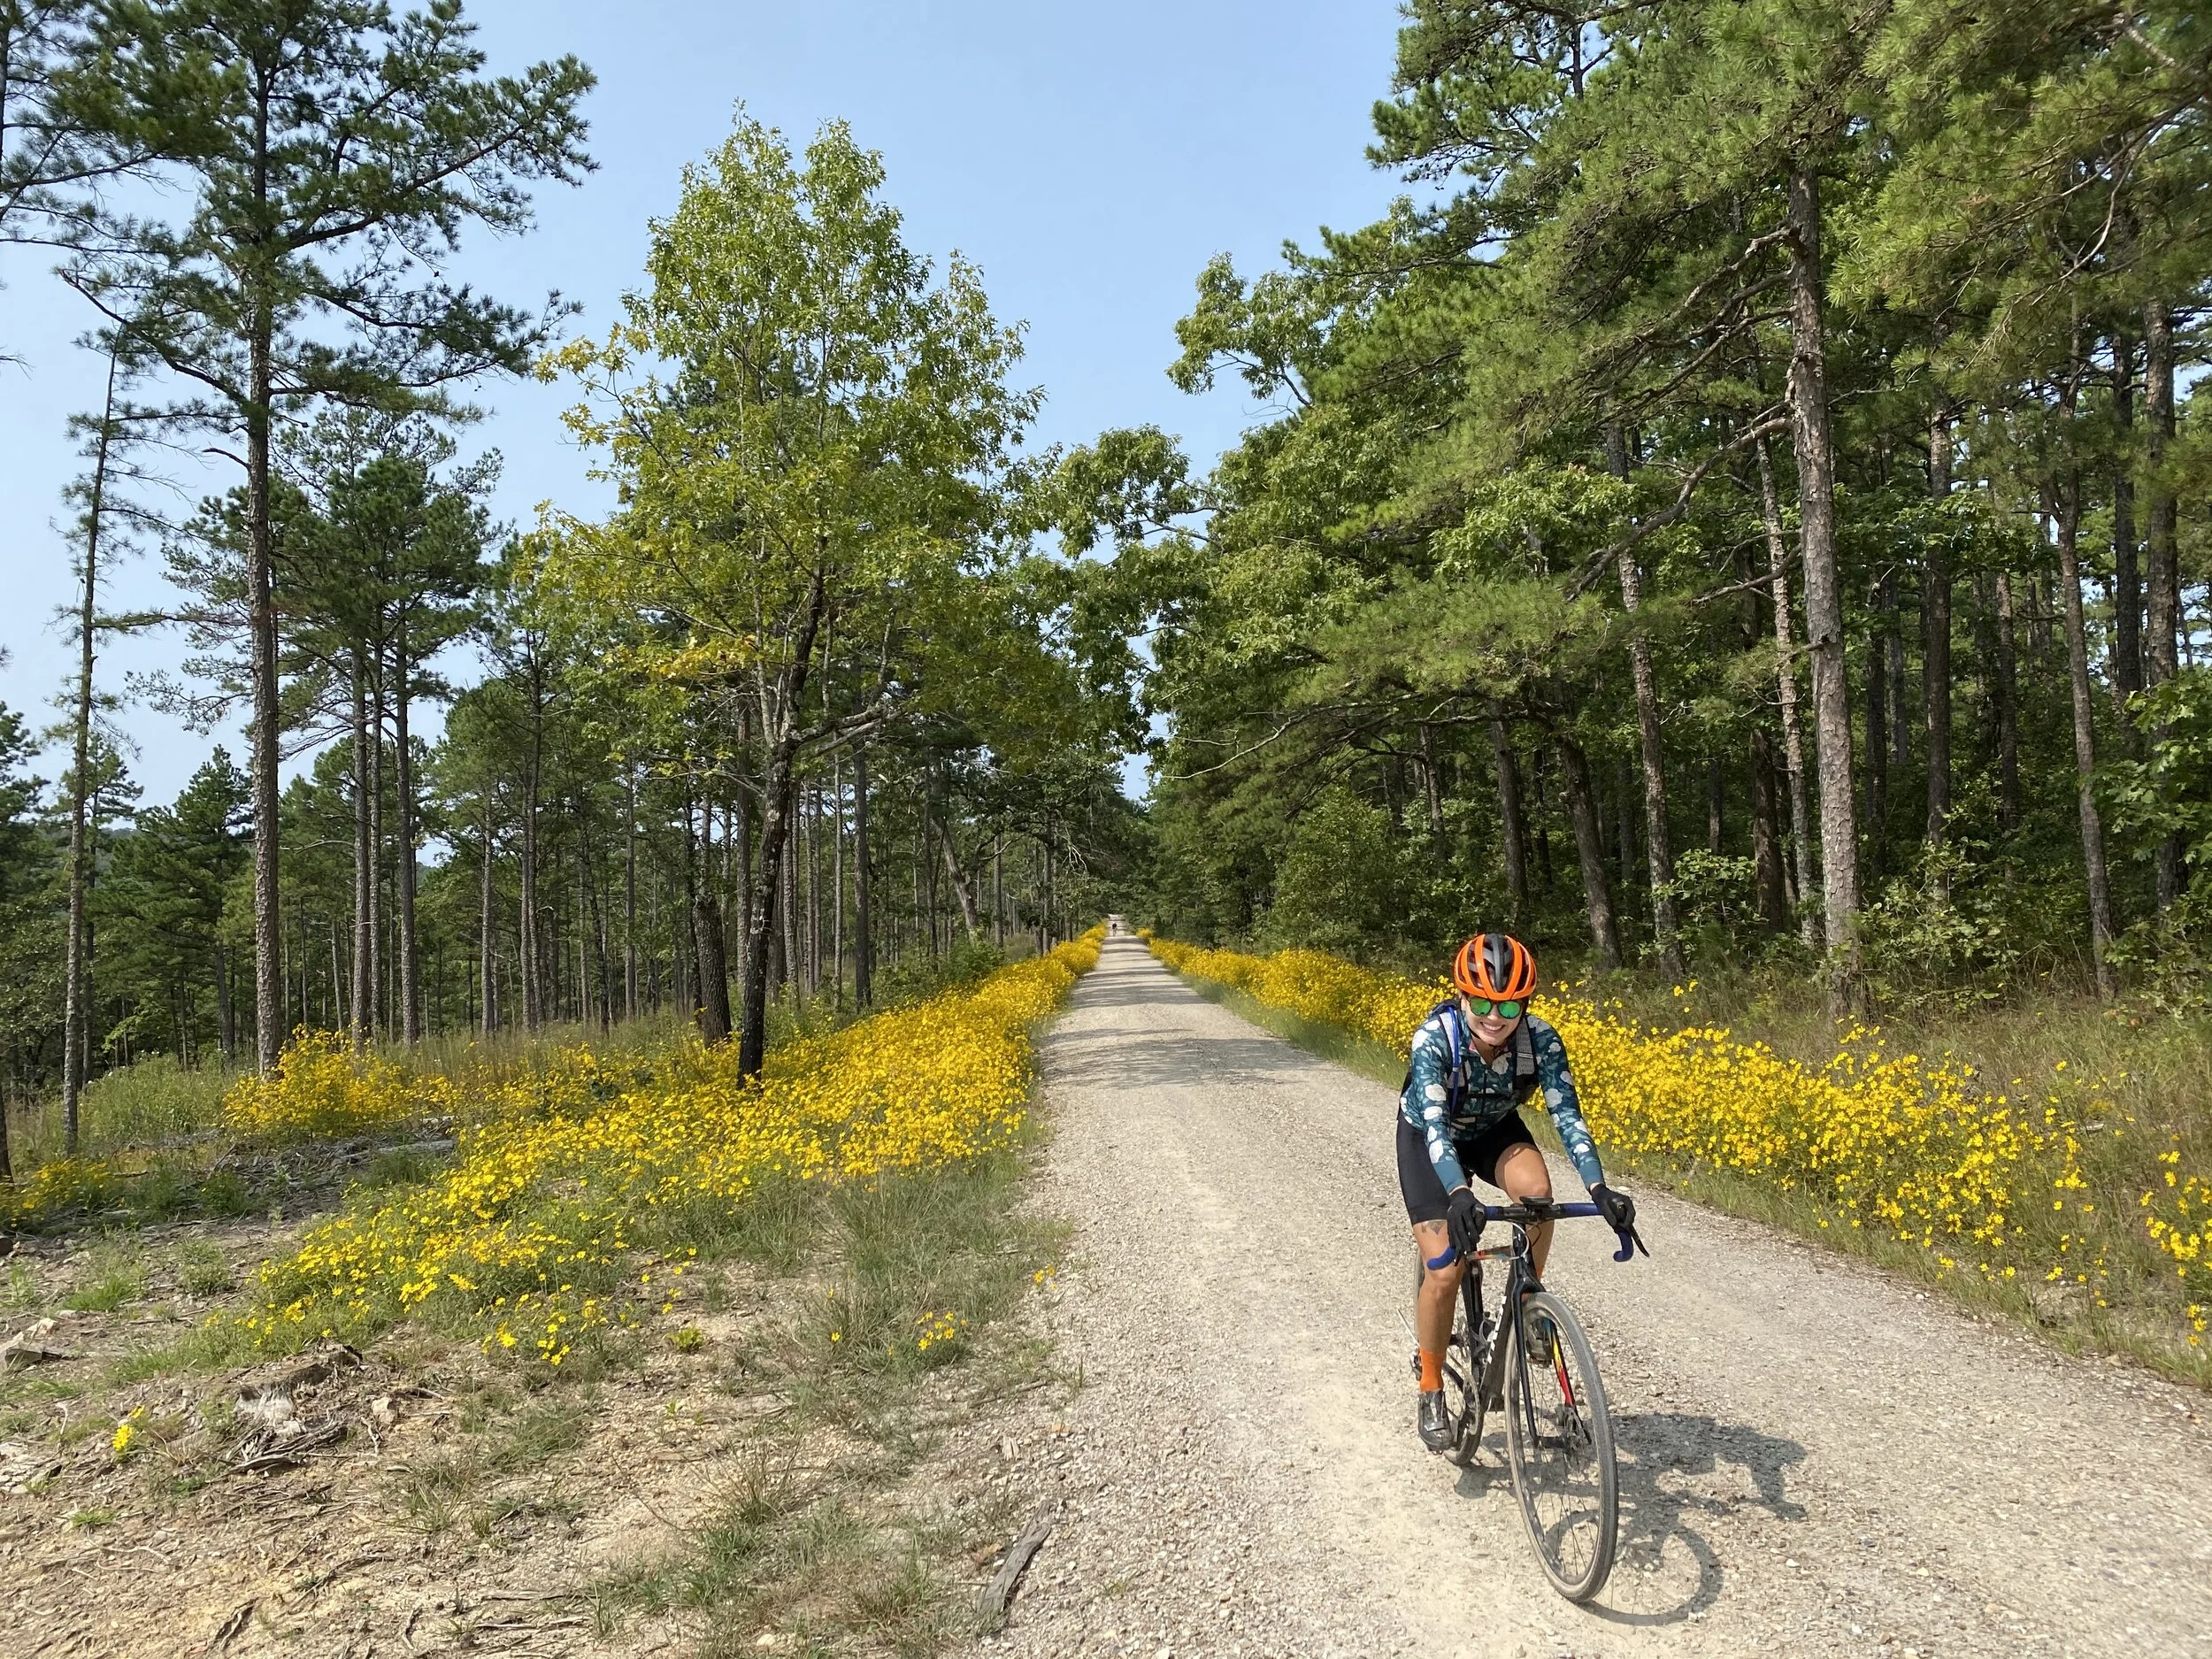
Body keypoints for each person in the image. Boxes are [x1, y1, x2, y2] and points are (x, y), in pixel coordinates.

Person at [1398, 932, 1634, 1451]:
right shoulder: (1434, 1039)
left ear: (1524, 1004)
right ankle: (1431, 1384)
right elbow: (1436, 1129)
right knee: (1445, 1268)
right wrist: (1459, 1193)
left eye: (1508, 1005)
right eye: (1481, 1001)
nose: (1494, 1016)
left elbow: (1567, 1116)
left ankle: (1529, 1299)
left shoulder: (1541, 1040)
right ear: (1462, 995)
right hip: (1430, 1138)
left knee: (1539, 1197)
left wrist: (1598, 1185)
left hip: (1494, 1130)